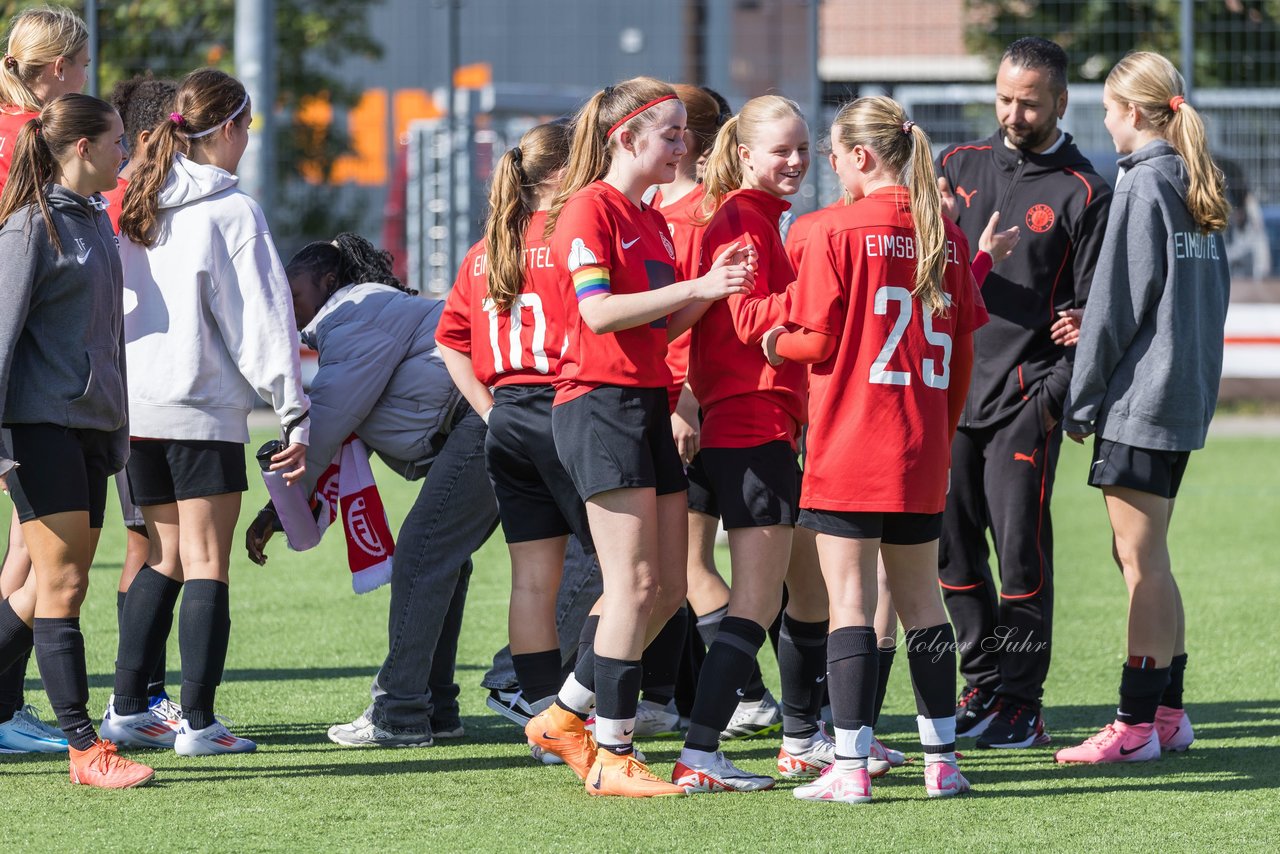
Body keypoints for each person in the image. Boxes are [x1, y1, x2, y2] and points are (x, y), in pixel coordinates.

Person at [523, 76, 755, 798]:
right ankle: (614, 756)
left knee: (665, 587)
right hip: (599, 405)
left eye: (687, 132)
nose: (685, 146)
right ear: (625, 138)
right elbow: (597, 314)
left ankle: (564, 716)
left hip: (643, 403)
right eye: (673, 133)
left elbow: (653, 324)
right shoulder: (590, 208)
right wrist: (696, 289)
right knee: (630, 585)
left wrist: (710, 290)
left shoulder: (649, 218)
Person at [762, 95, 988, 803]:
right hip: (921, 447)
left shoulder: (825, 229)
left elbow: (817, 341)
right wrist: (939, 439)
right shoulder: (944, 235)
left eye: (831, 153)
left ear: (861, 156)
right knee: (924, 606)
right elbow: (963, 360)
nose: (825, 165)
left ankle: (851, 769)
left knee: (851, 605)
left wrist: (768, 337)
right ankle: (942, 763)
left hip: (850, 447)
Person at [101, 68, 310, 757]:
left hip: (138, 408)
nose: (250, 140)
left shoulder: (139, 199)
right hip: (200, 408)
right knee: (206, 562)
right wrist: (292, 410)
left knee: (162, 558)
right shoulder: (231, 210)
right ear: (224, 130)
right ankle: (197, 722)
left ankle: (128, 708)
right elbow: (262, 322)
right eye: (247, 127)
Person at [247, 232, 498, 747]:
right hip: (477, 422)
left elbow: (328, 423)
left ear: (329, 281)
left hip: (480, 423)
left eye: (292, 293)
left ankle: (401, 712)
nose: (285, 305)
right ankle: (435, 707)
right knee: (442, 557)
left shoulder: (354, 313)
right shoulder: (360, 312)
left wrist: (278, 507)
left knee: (424, 553)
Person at [935, 36, 1112, 749]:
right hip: (948, 394)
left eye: (1028, 102)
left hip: (1023, 399)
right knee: (950, 550)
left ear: (1060, 102)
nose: (1013, 112)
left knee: (1019, 555)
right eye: (1005, 98)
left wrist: (1053, 397)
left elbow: (1094, 310)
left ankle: (1020, 701)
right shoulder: (956, 166)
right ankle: (980, 679)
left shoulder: (1085, 189)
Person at [1055, 52, 1230, 765]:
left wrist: (1081, 399)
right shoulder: (1197, 181)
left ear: (1132, 113)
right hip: (1181, 397)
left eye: (1105, 109)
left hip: (1140, 401)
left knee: (1141, 560)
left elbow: (1115, 309)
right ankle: (1168, 716)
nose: (1103, 122)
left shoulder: (1141, 184)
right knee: (1149, 558)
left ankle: (1133, 727)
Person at [667, 94, 829, 795]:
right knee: (758, 599)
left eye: (801, 148)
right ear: (743, 154)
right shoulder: (740, 216)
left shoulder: (753, 215)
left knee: (789, 588)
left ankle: (801, 739)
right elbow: (746, 318)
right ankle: (699, 750)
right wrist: (827, 300)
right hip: (749, 420)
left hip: (744, 420)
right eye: (780, 150)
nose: (794, 161)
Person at [0, 93, 154, 788]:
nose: (128, 150)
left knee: (54, 587)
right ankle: (87, 751)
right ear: (83, 148)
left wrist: (116, 426)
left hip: (90, 429)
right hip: (41, 428)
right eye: (118, 139)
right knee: (59, 586)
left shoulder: (95, 222)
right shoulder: (31, 228)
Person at [434, 121, 602, 744]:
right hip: (564, 407)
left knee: (532, 577)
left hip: (507, 415)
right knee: (625, 568)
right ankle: (577, 709)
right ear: (560, 173)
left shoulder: (487, 249)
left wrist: (488, 409)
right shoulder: (571, 239)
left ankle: (538, 712)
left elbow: (448, 341)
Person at [0, 3, 91, 754]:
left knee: (30, 556)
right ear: (57, 70)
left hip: (33, 381)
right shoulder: (28, 144)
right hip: (30, 385)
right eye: (84, 65)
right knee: (39, 558)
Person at [103, 73, 180, 725]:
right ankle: (138, 697)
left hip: (128, 391)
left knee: (147, 547)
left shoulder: (122, 191)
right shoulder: (132, 197)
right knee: (156, 550)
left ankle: (140, 694)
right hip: (139, 394)